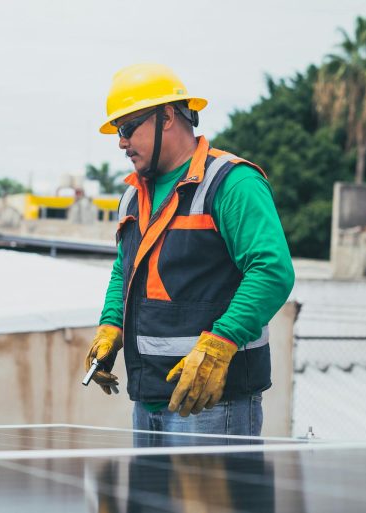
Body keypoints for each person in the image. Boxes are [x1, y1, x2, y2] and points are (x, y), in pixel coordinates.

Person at [85, 63, 295, 436]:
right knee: (147, 499)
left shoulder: (231, 183)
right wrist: (110, 326)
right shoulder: (134, 195)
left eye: (127, 127)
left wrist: (220, 344)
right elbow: (125, 269)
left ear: (167, 117)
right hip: (147, 399)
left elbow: (271, 270)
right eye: (118, 131)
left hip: (215, 403)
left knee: (215, 498)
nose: (121, 142)